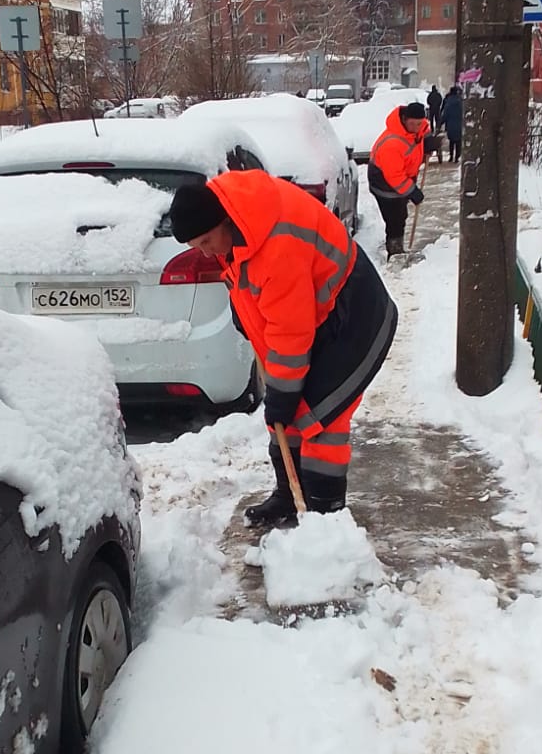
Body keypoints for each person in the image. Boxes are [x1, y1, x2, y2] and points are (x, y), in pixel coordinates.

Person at [169, 172, 398, 527]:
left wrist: (283, 392)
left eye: (207, 240)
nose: (206, 252)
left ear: (224, 221)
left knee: (321, 416)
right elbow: (251, 282)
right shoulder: (238, 219)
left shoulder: (276, 246)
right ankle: (289, 496)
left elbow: (290, 331)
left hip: (353, 314)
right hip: (314, 315)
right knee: (286, 413)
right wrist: (242, 310)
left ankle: (325, 514)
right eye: (196, 246)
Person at [367, 101, 436, 258]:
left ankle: (397, 244)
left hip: (402, 177)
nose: (417, 127)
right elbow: (395, 176)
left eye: (420, 123)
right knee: (395, 218)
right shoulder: (392, 144)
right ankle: (395, 251)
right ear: (404, 119)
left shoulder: (417, 127)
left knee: (401, 214)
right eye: (413, 124)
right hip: (384, 183)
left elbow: (424, 130)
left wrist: (428, 140)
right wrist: (412, 191)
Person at [441, 84, 463, 164]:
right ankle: (457, 157)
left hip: (450, 124)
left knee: (451, 141)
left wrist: (440, 123)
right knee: (458, 142)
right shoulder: (461, 101)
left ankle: (451, 156)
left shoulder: (448, 102)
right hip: (459, 124)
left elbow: (445, 114)